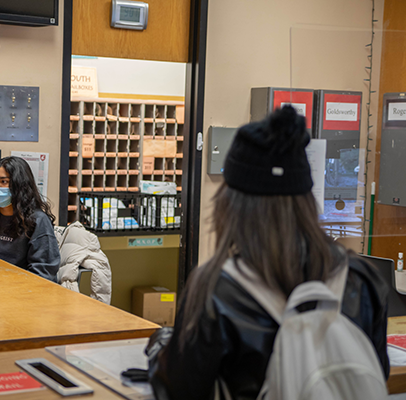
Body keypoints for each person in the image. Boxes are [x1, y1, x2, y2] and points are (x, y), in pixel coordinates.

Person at [146, 106, 389, 400]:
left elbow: (178, 391)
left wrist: (161, 347)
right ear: (306, 200)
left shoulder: (215, 291)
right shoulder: (362, 281)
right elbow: (377, 373)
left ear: (231, 204)